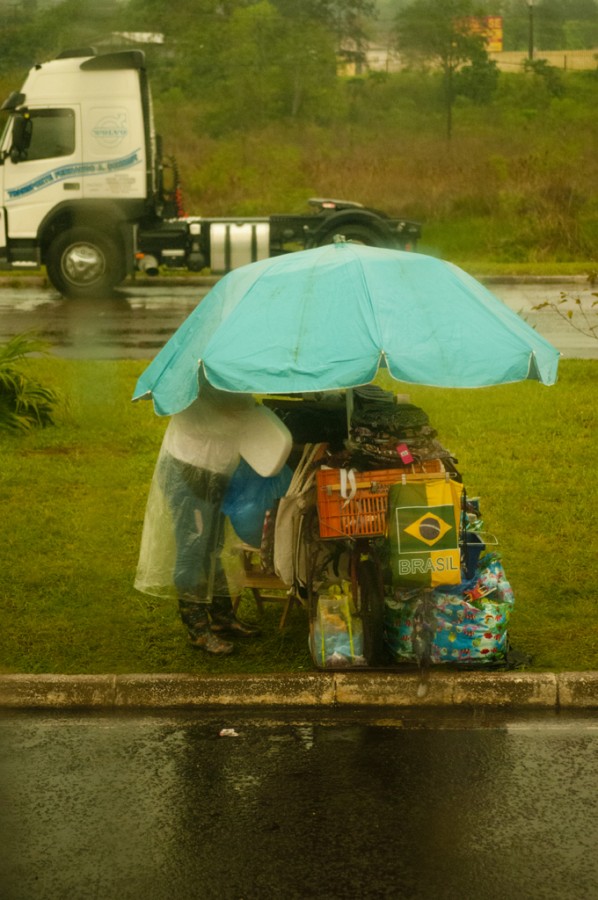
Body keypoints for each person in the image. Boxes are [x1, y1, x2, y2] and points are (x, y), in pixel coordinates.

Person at [135, 378, 292, 655]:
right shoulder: (193, 379)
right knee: (193, 549)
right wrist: (248, 416)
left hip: (218, 470)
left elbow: (242, 417)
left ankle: (221, 619)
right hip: (189, 471)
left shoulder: (229, 372)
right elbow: (221, 423)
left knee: (214, 547)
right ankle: (197, 628)